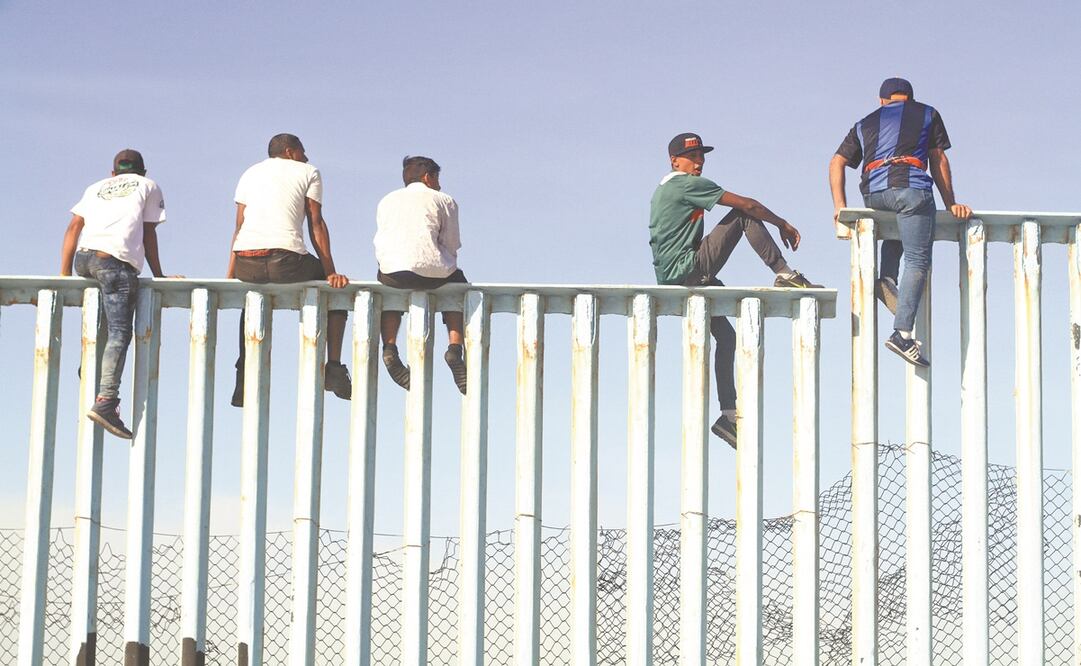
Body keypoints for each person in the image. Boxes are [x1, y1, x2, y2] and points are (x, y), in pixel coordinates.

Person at [650, 132, 820, 448]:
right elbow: (749, 204)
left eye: (702, 157)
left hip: (679, 275)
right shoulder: (683, 183)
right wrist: (782, 223)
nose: (699, 163)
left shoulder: (666, 189)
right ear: (675, 160)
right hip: (688, 270)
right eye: (693, 157)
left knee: (727, 337)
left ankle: (728, 417)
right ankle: (784, 273)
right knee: (743, 214)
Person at [830, 77, 972, 367]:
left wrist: (840, 208)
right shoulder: (927, 113)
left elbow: (836, 162)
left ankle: (887, 279)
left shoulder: (864, 122)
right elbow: (938, 158)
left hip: (874, 196)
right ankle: (902, 333)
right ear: (910, 98)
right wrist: (951, 204)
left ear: (883, 100)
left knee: (898, 220)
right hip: (911, 190)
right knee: (919, 260)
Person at [228, 133, 351, 406]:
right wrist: (330, 271)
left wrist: (231, 275)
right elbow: (315, 223)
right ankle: (333, 367)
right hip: (286, 262)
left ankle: (243, 379)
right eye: (303, 152)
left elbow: (239, 226)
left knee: (251, 300)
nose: (306, 157)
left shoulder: (249, 173)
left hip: (246, 262)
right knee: (336, 297)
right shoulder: (308, 171)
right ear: (290, 151)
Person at [59, 149, 173, 439]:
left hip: (85, 259)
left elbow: (73, 227)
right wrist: (159, 275)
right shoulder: (148, 185)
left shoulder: (95, 187)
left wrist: (63, 275)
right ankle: (107, 401)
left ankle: (91, 365)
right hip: (113, 261)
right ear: (142, 172)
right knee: (121, 332)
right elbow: (149, 233)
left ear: (113, 173)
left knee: (106, 319)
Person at [374, 156, 468, 394]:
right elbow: (452, 243)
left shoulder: (386, 200)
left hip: (393, 272)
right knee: (458, 286)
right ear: (429, 177)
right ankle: (455, 349)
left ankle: (390, 348)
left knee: (388, 292)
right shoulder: (444, 200)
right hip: (435, 274)